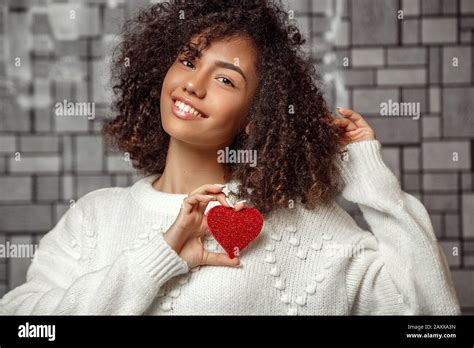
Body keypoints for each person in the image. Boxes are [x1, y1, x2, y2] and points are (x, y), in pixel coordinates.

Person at [0, 0, 460, 315]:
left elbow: (430, 315)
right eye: (187, 60)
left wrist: (366, 173)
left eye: (225, 80)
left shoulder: (302, 224)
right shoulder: (94, 217)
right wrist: (156, 259)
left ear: (253, 118)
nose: (192, 85)